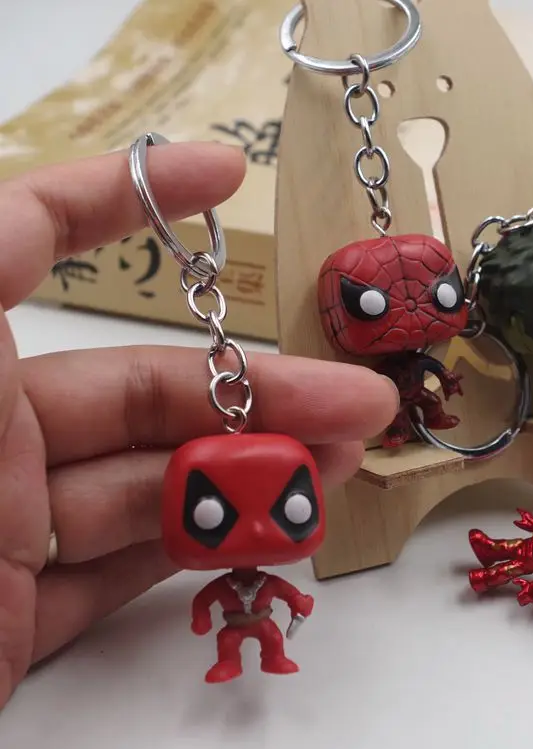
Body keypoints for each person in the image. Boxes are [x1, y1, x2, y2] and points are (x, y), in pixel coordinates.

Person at [0, 141, 399, 710]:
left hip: (244, 615)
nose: (256, 531)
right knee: (235, 642)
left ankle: (269, 654)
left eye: (291, 510)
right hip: (233, 620)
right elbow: (207, 598)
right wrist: (204, 614)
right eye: (212, 515)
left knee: (261, 638)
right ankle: (233, 658)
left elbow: (253, 593)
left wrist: (294, 603)